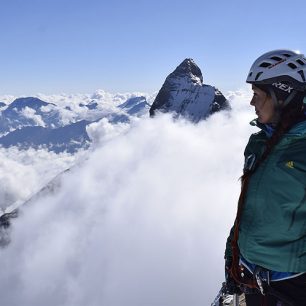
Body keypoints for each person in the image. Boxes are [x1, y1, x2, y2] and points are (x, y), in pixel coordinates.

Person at [225, 49, 306, 306]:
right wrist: (233, 253)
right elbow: (247, 206)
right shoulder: (259, 142)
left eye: (257, 95)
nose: (251, 103)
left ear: (283, 96)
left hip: (292, 283)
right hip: (250, 273)